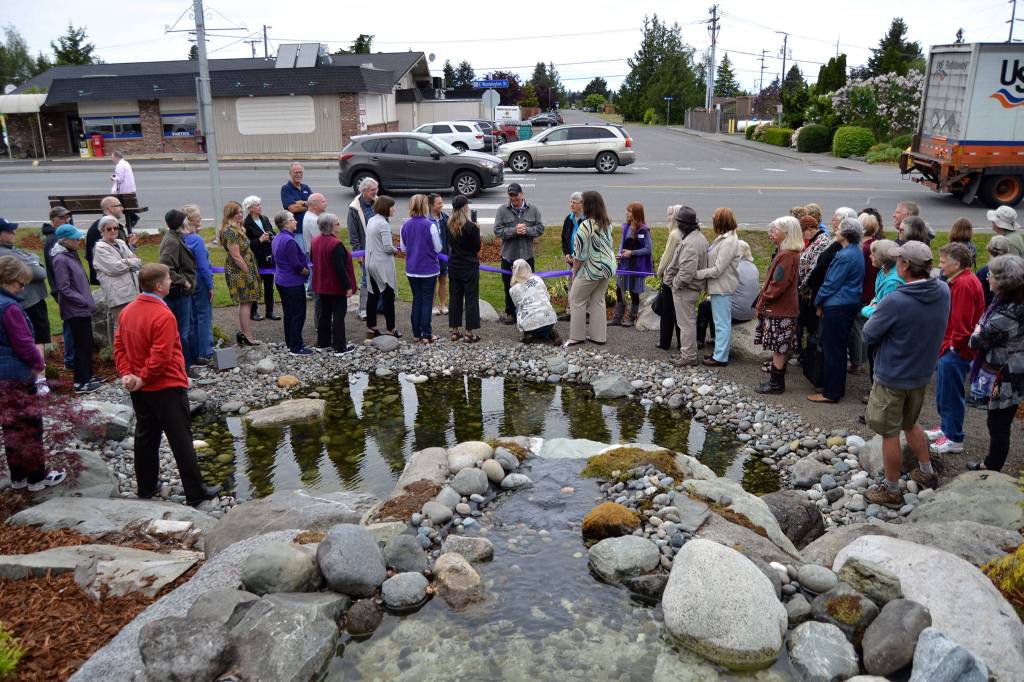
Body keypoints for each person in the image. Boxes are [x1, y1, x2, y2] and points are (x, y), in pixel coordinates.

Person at [114, 263, 221, 507]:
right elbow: (161, 355)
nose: (171, 282)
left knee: (145, 436)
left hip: (140, 388)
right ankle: (195, 492)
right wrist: (143, 376)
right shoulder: (163, 315)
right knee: (180, 438)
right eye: (168, 279)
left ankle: (146, 487)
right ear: (159, 286)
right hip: (166, 386)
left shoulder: (128, 311)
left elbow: (119, 346)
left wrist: (128, 374)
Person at [863, 241, 950, 506]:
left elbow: (869, 333)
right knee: (910, 422)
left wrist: (873, 310)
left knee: (889, 433)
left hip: (893, 376)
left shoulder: (896, 300)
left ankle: (891, 490)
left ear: (904, 265)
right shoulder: (943, 290)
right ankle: (926, 472)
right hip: (921, 372)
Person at [0, 256, 65, 491]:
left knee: (11, 428)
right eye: (20, 283)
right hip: (17, 374)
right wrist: (39, 364)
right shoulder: (9, 307)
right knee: (30, 425)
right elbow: (24, 343)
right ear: (8, 280)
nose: (23, 288)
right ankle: (37, 477)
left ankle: (18, 476)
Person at [924, 242, 985, 455]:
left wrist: (953, 347)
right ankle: (946, 428)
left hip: (956, 351)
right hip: (953, 348)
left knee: (950, 394)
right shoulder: (962, 281)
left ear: (956, 263)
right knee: (944, 393)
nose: (940, 266)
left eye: (943, 262)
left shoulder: (964, 285)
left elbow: (962, 323)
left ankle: (954, 437)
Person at [967, 254, 1024, 472]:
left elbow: (976, 340)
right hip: (1015, 367)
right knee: (1001, 419)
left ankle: (991, 467)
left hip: (1006, 374)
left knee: (998, 423)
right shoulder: (1014, 303)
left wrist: (978, 327)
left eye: (990, 275)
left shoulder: (1005, 314)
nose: (986, 278)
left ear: (1002, 282)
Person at [809, 217, 865, 403]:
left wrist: (818, 302)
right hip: (847, 304)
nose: (836, 230)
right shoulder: (854, 251)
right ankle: (834, 389)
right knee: (838, 349)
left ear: (847, 233)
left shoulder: (845, 255)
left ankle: (830, 392)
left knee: (833, 349)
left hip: (837, 306)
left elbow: (830, 283)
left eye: (840, 228)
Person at [753, 217, 804, 394]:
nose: (771, 234)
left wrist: (763, 299)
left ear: (786, 233)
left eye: (774, 231)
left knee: (779, 348)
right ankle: (775, 382)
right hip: (784, 309)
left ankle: (776, 384)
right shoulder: (790, 253)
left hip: (781, 310)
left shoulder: (787, 256)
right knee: (779, 348)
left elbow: (778, 284)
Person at [51, 223, 99, 393]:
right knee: (82, 345)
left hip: (81, 307)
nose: (79, 240)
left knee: (87, 344)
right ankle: (81, 382)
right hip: (75, 309)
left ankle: (88, 375)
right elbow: (63, 288)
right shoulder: (60, 259)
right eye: (75, 238)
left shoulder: (70, 254)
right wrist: (83, 300)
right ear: (65, 240)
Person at [564, 191, 617, 348]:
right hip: (607, 268)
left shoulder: (585, 226)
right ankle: (599, 336)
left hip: (591, 270)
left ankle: (576, 336)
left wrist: (574, 272)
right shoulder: (607, 223)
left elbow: (580, 255)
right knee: (598, 300)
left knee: (576, 299)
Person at [0, 218, 50, 366]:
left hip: (31, 300)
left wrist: (33, 260)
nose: (14, 233)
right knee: (36, 339)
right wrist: (33, 261)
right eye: (9, 231)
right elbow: (38, 272)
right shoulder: (6, 253)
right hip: (29, 302)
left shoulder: (12, 249)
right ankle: (40, 379)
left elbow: (34, 260)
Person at [663, 206, 708, 365]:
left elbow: (686, 273)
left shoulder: (690, 243)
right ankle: (688, 353)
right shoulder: (698, 238)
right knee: (687, 322)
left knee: (686, 323)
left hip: (685, 289)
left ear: (682, 224)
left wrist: (674, 284)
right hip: (690, 287)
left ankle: (688, 357)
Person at [696, 207, 741, 366]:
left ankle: (721, 357)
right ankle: (719, 353)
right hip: (719, 286)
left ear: (721, 221)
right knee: (720, 322)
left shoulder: (728, 241)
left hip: (722, 287)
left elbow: (718, 269)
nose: (712, 221)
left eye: (714, 219)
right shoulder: (726, 238)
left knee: (722, 323)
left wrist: (698, 274)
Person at [494, 183, 544, 324]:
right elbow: (497, 231)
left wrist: (527, 230)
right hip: (509, 257)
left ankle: (528, 311)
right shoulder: (502, 210)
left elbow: (540, 228)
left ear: (522, 194)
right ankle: (510, 312)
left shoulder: (533, 209)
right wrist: (514, 231)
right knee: (508, 286)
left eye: (516, 195)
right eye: (511, 195)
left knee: (528, 286)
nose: (513, 198)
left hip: (527, 257)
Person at [860, 239, 905, 396]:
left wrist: (866, 309)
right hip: (878, 324)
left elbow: (883, 313)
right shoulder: (882, 272)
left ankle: (877, 398)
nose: (870, 256)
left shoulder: (892, 282)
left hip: (885, 331)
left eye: (873, 254)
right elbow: (877, 300)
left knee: (877, 363)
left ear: (882, 257)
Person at [311, 212, 356, 355]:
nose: (339, 225)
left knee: (324, 314)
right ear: (331, 226)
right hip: (335, 287)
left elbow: (313, 259)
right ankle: (339, 346)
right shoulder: (335, 244)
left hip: (321, 285)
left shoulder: (315, 241)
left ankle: (323, 343)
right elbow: (340, 269)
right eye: (337, 223)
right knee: (338, 316)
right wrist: (347, 287)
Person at [400, 194, 441, 343]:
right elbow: (438, 248)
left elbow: (403, 248)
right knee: (426, 302)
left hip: (412, 269)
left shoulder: (405, 225)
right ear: (425, 206)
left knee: (417, 300)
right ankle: (426, 333)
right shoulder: (430, 225)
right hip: (428, 269)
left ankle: (416, 333)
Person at [220, 201, 261, 346]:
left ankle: (246, 334)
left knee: (247, 302)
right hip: (239, 270)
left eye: (241, 211)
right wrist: (247, 271)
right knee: (245, 301)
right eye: (237, 212)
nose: (240, 214)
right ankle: (247, 335)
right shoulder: (230, 231)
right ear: (230, 214)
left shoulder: (238, 228)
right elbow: (236, 256)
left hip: (245, 267)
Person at [159, 209, 196, 366]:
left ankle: (184, 364)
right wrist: (184, 281)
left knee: (182, 331)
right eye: (185, 220)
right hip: (178, 293)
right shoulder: (173, 241)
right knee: (182, 332)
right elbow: (166, 266)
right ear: (179, 224)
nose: (188, 222)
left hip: (179, 292)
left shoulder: (175, 237)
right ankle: (183, 367)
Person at [271, 210, 311, 355]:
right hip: (292, 283)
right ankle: (296, 346)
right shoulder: (289, 241)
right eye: (293, 220)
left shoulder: (277, 238)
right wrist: (307, 272)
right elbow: (296, 265)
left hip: (281, 280)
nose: (296, 221)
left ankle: (290, 342)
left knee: (289, 313)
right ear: (286, 224)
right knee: (298, 314)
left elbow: (274, 260)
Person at [92, 214, 141, 328]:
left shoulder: (121, 242)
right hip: (118, 295)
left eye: (115, 228)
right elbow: (115, 268)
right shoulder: (100, 248)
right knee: (121, 325)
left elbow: (138, 262)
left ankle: (130, 346)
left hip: (132, 291)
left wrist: (127, 261)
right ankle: (119, 346)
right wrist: (130, 262)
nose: (113, 230)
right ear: (102, 230)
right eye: (109, 228)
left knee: (133, 324)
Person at [42, 206, 75, 369]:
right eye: (62, 218)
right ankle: (70, 360)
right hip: (63, 290)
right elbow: (57, 269)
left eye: (67, 217)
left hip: (65, 289)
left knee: (72, 323)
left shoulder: (56, 236)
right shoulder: (53, 240)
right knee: (70, 324)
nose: (66, 220)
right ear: (53, 220)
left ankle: (72, 358)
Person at [610, 202, 653, 329]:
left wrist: (632, 253)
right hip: (624, 265)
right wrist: (619, 254)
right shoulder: (626, 227)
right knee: (619, 289)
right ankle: (617, 318)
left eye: (629, 211)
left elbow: (648, 249)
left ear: (636, 214)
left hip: (636, 267)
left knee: (634, 292)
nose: (626, 214)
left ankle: (631, 318)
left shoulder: (643, 230)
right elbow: (622, 244)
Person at [851, 211, 884, 375]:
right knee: (864, 324)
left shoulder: (863, 249)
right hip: (873, 291)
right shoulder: (876, 244)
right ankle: (862, 359)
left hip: (863, 291)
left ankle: (857, 361)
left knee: (858, 326)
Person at [181, 204, 215, 365]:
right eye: (198, 216)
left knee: (191, 317)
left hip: (186, 281)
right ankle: (206, 351)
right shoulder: (196, 240)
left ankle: (193, 351)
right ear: (190, 220)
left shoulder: (180, 238)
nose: (201, 218)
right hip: (200, 280)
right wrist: (210, 285)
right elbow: (203, 265)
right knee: (204, 316)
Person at [446, 195, 481, 343]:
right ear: (464, 207)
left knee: (455, 296)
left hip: (454, 264)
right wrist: (477, 231)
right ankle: (469, 332)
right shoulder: (471, 227)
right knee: (471, 297)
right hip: (469, 265)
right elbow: (476, 248)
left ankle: (455, 331)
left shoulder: (448, 224)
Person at [365, 196, 401, 339]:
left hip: (371, 261)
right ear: (386, 208)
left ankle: (371, 327)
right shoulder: (383, 224)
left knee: (372, 296)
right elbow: (387, 247)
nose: (394, 209)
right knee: (388, 296)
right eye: (392, 206)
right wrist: (397, 250)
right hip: (381, 264)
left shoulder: (372, 220)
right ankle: (390, 328)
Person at [86, 196, 137, 285]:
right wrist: (133, 262)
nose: (122, 208)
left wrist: (131, 246)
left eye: (115, 228)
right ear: (110, 209)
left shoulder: (105, 225)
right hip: (114, 281)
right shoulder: (104, 228)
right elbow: (116, 263)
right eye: (119, 205)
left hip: (119, 277)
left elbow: (123, 254)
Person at [242, 195, 278, 321]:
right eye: (257, 205)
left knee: (269, 285)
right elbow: (245, 244)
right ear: (250, 208)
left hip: (268, 256)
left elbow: (272, 231)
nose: (260, 207)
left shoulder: (265, 219)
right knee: (256, 286)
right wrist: (260, 240)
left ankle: (270, 311)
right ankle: (254, 311)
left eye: (260, 204)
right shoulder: (246, 223)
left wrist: (271, 236)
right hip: (255, 258)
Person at [510, 259, 561, 345]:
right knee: (544, 313)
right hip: (549, 319)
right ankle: (551, 333)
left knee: (518, 310)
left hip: (530, 322)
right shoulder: (538, 279)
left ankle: (529, 334)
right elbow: (547, 297)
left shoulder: (513, 289)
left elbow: (517, 305)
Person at [348, 177, 378, 319]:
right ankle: (363, 309)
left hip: (378, 249)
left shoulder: (376, 202)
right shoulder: (354, 208)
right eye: (373, 190)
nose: (375, 192)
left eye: (376, 189)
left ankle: (377, 306)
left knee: (378, 278)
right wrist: (358, 253)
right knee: (366, 279)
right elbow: (353, 234)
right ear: (365, 190)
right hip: (365, 250)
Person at [656, 204, 684, 351]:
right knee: (678, 313)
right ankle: (681, 342)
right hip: (680, 277)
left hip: (670, 277)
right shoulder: (684, 233)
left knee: (667, 313)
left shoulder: (674, 234)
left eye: (670, 214)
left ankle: (664, 342)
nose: (668, 217)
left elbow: (666, 257)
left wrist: (659, 271)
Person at [559, 192, 585, 321]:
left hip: (583, 261)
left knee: (582, 285)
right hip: (570, 260)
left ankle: (585, 313)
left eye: (574, 202)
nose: (571, 204)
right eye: (570, 201)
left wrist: (578, 257)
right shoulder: (568, 219)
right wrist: (567, 254)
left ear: (582, 204)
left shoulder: (586, 221)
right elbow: (564, 238)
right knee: (570, 285)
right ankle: (570, 311)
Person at [427, 194, 450, 316]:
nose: (442, 205)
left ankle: (442, 304)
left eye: (442, 202)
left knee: (443, 280)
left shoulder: (445, 218)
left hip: (443, 255)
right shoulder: (426, 219)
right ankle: (432, 305)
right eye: (439, 203)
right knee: (432, 281)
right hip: (430, 257)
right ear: (431, 205)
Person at [302, 193, 327, 299]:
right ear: (315, 205)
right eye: (323, 202)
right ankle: (314, 292)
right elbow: (322, 239)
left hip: (311, 251)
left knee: (313, 273)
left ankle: (311, 290)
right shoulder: (314, 220)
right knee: (318, 274)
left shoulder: (309, 215)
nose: (326, 204)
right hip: (316, 253)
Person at [977, 236, 1011, 306]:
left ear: (989, 250)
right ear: (1007, 251)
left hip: (988, 311)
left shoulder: (982, 272)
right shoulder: (1014, 271)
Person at [281, 162, 312, 235]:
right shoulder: (286, 189)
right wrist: (308, 204)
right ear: (290, 173)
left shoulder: (306, 188)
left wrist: (301, 203)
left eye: (300, 172)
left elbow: (315, 204)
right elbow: (292, 208)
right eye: (296, 172)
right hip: (296, 231)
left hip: (308, 229)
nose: (298, 174)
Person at [110, 150, 139, 229]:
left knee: (115, 205)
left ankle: (133, 218)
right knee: (125, 205)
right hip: (130, 190)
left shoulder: (120, 165)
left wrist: (112, 178)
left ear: (116, 157)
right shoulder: (126, 163)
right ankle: (133, 218)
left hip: (124, 191)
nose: (111, 159)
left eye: (112, 157)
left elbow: (120, 179)